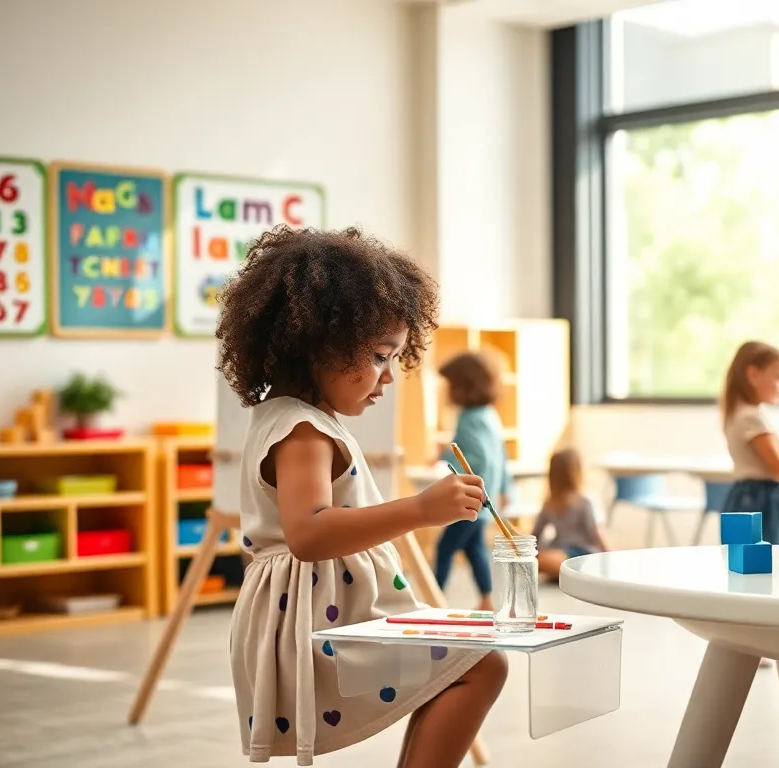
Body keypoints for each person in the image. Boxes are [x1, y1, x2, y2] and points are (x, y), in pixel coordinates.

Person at [216, 226, 506, 768]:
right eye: (378, 356)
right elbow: (308, 535)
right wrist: (420, 510)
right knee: (481, 664)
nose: (389, 377)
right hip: (317, 621)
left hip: (329, 609)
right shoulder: (302, 430)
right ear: (317, 345)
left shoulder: (295, 418)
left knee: (474, 665)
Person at [433, 351, 513, 613]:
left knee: (445, 547)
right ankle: (487, 598)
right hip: (485, 500)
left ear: (463, 387)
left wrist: (443, 456)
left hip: (472, 500)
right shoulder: (489, 414)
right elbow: (501, 456)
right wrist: (505, 488)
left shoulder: (469, 418)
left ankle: (434, 597)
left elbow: (476, 456)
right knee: (474, 548)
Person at [719, 341, 779, 545]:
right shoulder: (752, 417)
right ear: (753, 375)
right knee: (768, 559)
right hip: (760, 499)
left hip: (748, 496)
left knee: (745, 559)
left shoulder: (741, 412)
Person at [532, 448, 608, 580]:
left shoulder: (584, 503)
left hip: (580, 552)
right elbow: (535, 535)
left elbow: (595, 534)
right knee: (537, 559)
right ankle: (563, 572)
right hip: (559, 549)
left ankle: (566, 571)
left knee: (550, 560)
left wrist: (608, 556)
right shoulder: (549, 504)